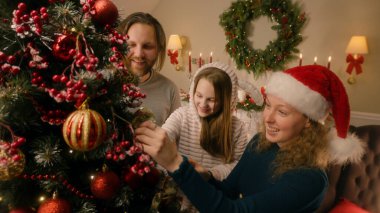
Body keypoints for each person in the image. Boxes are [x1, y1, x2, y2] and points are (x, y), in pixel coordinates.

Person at [135, 65, 365, 212]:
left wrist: (176, 164)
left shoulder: (309, 179)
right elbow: (229, 190)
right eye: (267, 106)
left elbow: (232, 211)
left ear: (309, 121)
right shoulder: (259, 143)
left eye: (282, 112)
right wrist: (206, 178)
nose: (268, 118)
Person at [161, 62, 248, 211]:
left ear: (225, 100)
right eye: (199, 95)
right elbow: (165, 135)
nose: (202, 104)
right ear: (193, 91)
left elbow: (238, 165)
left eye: (212, 99)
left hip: (213, 199)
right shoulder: (181, 116)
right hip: (178, 198)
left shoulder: (237, 127)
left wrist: (211, 174)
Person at [119, 12, 181, 126]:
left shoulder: (170, 90)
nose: (138, 54)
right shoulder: (103, 85)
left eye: (147, 46)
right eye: (131, 45)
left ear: (158, 49)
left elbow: (177, 140)